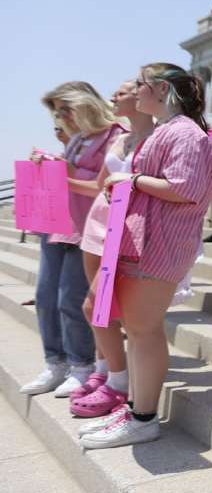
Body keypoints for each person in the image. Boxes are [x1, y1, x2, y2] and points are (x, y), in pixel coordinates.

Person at [79, 64, 212, 449]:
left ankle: (142, 418)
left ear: (159, 89)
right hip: (144, 242)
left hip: (160, 246)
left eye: (140, 85)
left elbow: (184, 187)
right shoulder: (171, 131)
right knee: (138, 330)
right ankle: (138, 410)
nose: (135, 92)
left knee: (143, 330)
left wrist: (132, 181)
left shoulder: (185, 134)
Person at [20, 82, 123, 397]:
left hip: (91, 228)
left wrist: (62, 172)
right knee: (46, 298)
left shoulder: (115, 135)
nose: (60, 116)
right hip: (59, 224)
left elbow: (104, 186)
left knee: (71, 300)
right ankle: (56, 363)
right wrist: (48, 163)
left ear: (86, 103)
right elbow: (72, 172)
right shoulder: (78, 138)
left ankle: (81, 366)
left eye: (66, 108)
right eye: (57, 111)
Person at [70, 80, 155, 418]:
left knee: (97, 305)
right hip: (98, 221)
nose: (113, 97)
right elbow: (96, 184)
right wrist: (59, 175)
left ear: (141, 96)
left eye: (121, 92)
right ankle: (104, 370)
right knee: (98, 307)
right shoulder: (121, 138)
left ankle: (117, 381)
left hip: (127, 225)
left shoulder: (156, 137)